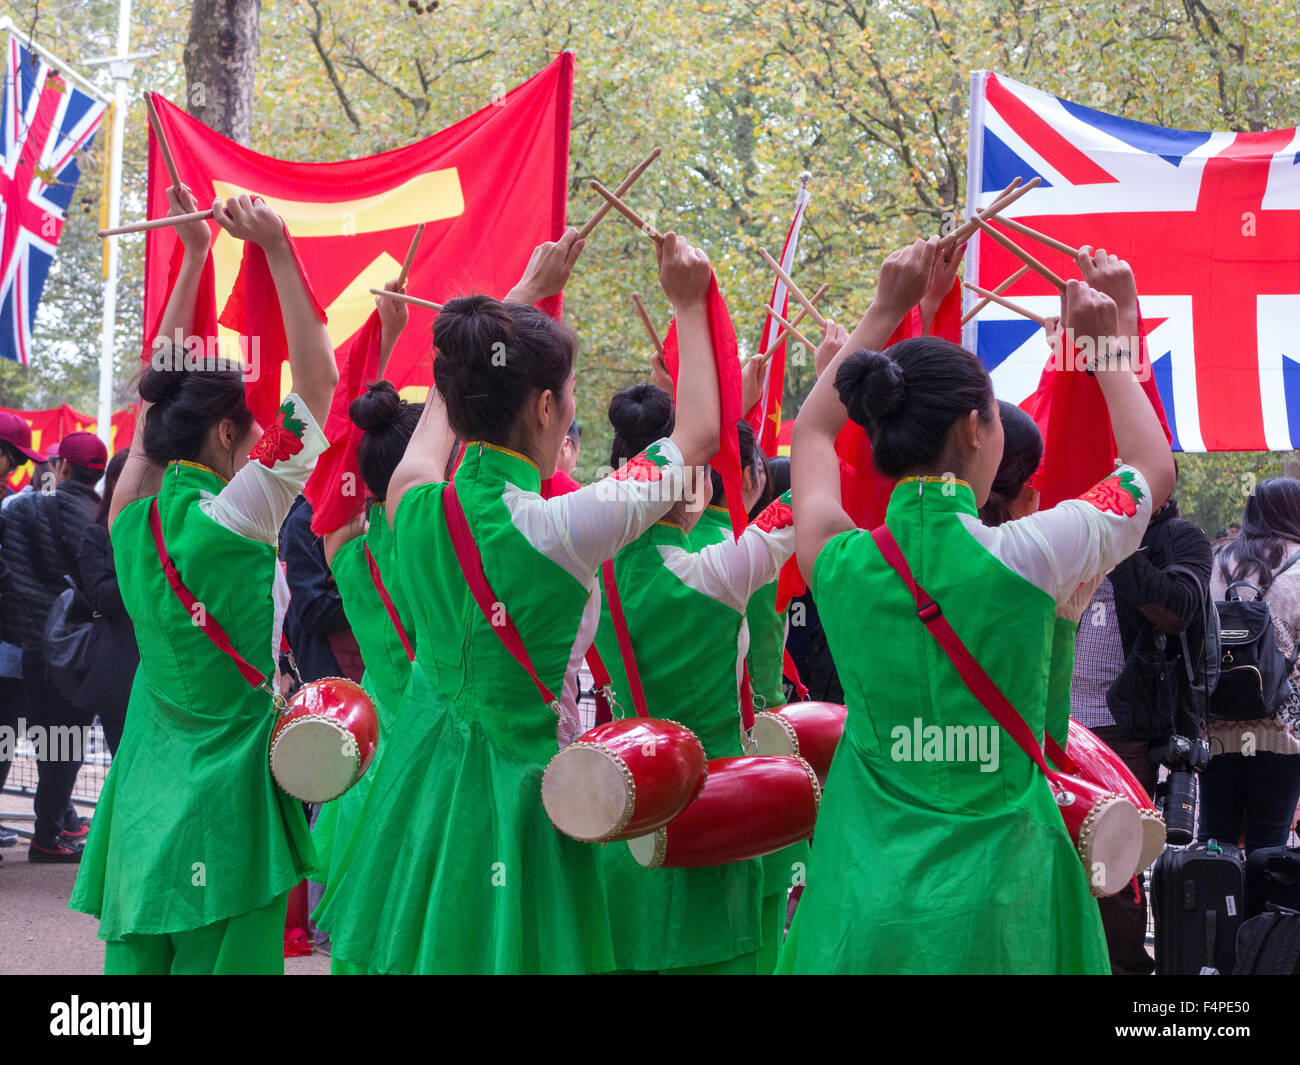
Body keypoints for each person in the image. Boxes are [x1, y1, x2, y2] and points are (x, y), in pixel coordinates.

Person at [315, 229, 723, 974]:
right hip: (516, 795)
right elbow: (696, 435)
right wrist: (691, 303)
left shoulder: (413, 498)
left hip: (417, 782)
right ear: (543, 408)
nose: (570, 413)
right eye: (567, 399)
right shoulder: (558, 526)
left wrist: (520, 298)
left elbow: (446, 401)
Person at [779, 237, 1174, 973]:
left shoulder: (835, 559)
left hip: (863, 895)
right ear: (974, 427)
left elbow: (811, 429)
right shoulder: (1034, 554)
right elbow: (1149, 468)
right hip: (1001, 903)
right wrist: (1111, 342)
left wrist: (883, 310)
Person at [68, 187, 338, 974]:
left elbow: (152, 417)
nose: (261, 435)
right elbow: (318, 392)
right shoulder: (241, 515)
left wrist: (192, 256)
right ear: (228, 434)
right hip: (231, 808)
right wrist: (279, 247)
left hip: (144, 797)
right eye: (251, 427)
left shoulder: (128, 515)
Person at [592, 384, 795, 974]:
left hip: (629, 801)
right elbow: (809, 492)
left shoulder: (589, 563)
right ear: (693, 483)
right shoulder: (714, 569)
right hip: (715, 808)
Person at [0, 428, 106, 861]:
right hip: (73, 651)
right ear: (97, 476)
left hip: (24, 645)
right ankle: (49, 834)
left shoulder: (20, 509)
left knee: (12, 737)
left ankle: (54, 826)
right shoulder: (101, 519)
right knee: (62, 744)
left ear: (61, 467)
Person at [1201, 478, 1300, 853]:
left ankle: (1212, 910)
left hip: (1217, 725)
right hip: (1283, 733)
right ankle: (1262, 914)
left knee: (1216, 838)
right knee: (1268, 844)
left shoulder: (1216, 560)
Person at [75, 448, 138, 757]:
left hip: (164, 676)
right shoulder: (96, 537)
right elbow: (101, 596)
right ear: (115, 482)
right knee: (126, 769)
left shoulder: (169, 532)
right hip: (119, 678)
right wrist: (142, 558)